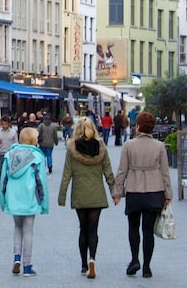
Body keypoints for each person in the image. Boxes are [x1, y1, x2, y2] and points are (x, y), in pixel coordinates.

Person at [112, 112, 172, 279]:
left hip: (134, 191)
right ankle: (147, 267)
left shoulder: (128, 145)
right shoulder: (159, 146)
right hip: (154, 191)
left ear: (137, 126)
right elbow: (165, 172)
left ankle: (134, 259)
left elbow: (122, 171)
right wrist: (168, 193)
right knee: (148, 230)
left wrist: (117, 193)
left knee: (133, 227)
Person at [58, 118, 115, 279]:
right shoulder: (101, 147)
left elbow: (66, 174)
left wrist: (62, 196)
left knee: (83, 229)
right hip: (97, 193)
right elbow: (108, 171)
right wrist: (114, 191)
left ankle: (84, 265)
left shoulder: (72, 148)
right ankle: (92, 258)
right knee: (93, 230)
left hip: (80, 193)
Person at [0, 127, 49, 277]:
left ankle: (16, 258)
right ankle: (27, 265)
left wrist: (3, 200)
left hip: (14, 197)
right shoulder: (37, 157)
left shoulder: (9, 155)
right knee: (28, 230)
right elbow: (42, 182)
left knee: (17, 227)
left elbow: (3, 180)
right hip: (30, 197)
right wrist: (44, 203)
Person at [0, 116, 18, 189]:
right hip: (0, 154)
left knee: (9, 172)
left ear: (9, 124)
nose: (4, 126)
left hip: (10, 155)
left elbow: (16, 144)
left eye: (6, 124)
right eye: (2, 124)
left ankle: (7, 188)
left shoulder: (13, 132)